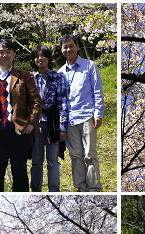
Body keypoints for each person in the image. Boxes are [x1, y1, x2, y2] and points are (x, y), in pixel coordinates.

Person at [0, 39, 42, 191]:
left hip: (18, 130)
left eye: (8, 52)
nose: (4, 55)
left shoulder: (24, 76)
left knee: (19, 172)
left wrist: (31, 122)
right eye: (1, 52)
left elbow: (36, 102)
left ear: (14, 54)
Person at [58, 34, 103, 192]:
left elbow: (97, 91)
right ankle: (81, 187)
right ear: (61, 49)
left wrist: (98, 113)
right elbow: (60, 100)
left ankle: (94, 187)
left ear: (77, 46)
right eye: (65, 47)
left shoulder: (89, 66)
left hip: (87, 116)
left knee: (90, 154)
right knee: (75, 156)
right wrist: (61, 125)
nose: (68, 49)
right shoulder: (60, 72)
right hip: (70, 120)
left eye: (71, 46)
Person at [30, 45, 68, 192]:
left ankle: (54, 191)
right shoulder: (30, 78)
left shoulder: (58, 77)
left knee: (52, 161)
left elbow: (63, 103)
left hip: (53, 123)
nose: (40, 59)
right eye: (37, 56)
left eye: (43, 55)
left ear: (48, 58)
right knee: (36, 162)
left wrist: (63, 127)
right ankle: (35, 191)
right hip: (35, 124)